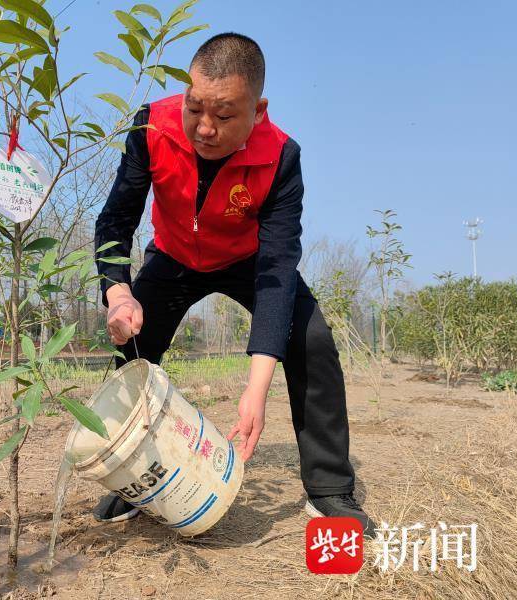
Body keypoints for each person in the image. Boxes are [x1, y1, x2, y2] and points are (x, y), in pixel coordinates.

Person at [92, 33, 376, 537]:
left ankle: (330, 488)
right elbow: (116, 221)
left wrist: (255, 387)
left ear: (258, 110)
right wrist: (119, 293)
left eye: (223, 116)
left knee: (311, 339)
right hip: (175, 254)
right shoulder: (150, 126)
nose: (204, 128)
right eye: (194, 107)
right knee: (136, 344)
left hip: (248, 261)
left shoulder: (281, 157)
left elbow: (277, 270)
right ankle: (134, 478)